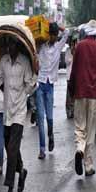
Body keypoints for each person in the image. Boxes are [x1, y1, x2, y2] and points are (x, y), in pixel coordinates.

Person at [0, 36, 37, 192]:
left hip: (20, 111)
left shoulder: (24, 62)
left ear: (18, 46)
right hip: (7, 110)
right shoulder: (4, 61)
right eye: (8, 44)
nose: (10, 47)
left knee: (13, 148)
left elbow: (30, 84)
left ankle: (10, 189)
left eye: (13, 44)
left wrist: (30, 85)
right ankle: (21, 171)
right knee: (10, 147)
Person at [69, 20, 96, 176]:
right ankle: (88, 165)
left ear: (86, 32)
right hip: (94, 94)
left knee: (80, 127)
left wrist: (71, 91)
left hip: (80, 93)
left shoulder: (79, 47)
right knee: (91, 131)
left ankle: (79, 149)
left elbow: (73, 71)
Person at [36, 22, 69, 159]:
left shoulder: (58, 46)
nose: (55, 38)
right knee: (40, 118)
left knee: (49, 117)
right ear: (49, 35)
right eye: (53, 35)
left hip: (50, 86)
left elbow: (66, 32)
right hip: (40, 84)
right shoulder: (41, 46)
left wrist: (53, 24)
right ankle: (42, 149)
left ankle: (51, 135)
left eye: (56, 36)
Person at [65, 33, 77, 119]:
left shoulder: (78, 50)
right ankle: (69, 111)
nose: (72, 45)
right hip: (69, 76)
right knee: (69, 96)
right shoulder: (67, 51)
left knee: (76, 95)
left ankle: (75, 111)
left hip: (77, 76)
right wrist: (72, 54)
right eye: (71, 44)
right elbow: (67, 61)